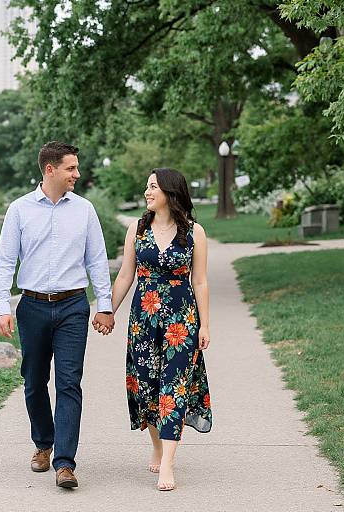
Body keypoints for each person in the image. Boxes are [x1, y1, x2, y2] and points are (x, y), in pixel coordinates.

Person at [0, 141, 115, 489]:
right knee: (33, 382)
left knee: (69, 383)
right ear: (50, 170)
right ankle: (43, 444)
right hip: (31, 306)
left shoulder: (85, 210)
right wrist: (3, 307)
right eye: (71, 168)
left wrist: (104, 305)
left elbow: (96, 260)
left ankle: (65, 463)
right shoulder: (19, 210)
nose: (77, 174)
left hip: (73, 307)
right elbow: (4, 261)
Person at [103, 168, 212, 491]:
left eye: (152, 186)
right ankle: (156, 444)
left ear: (170, 191)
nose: (147, 191)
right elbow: (125, 276)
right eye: (147, 186)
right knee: (147, 388)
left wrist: (205, 324)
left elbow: (201, 281)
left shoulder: (194, 232)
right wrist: (107, 311)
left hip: (182, 320)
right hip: (143, 320)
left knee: (174, 388)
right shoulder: (137, 230)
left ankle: (168, 463)